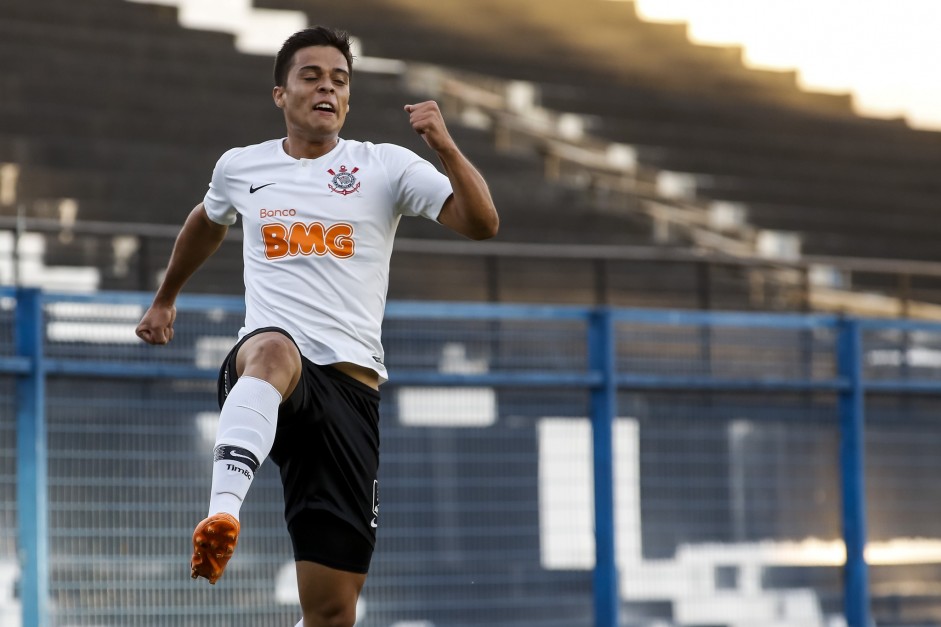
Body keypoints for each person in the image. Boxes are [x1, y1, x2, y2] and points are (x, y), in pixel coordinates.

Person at [135, 25, 498, 627]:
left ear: (348, 98)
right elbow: (207, 219)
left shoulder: (384, 167)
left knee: (332, 611)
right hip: (271, 374)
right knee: (275, 347)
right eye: (311, 76)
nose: (327, 88)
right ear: (280, 94)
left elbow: (482, 223)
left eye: (340, 80)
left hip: (351, 397)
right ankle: (222, 512)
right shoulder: (242, 167)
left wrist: (445, 146)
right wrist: (165, 298)